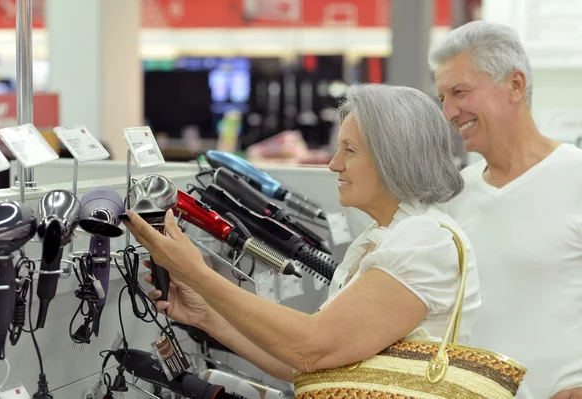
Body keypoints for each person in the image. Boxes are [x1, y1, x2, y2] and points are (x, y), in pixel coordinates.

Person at [123, 84, 481, 384]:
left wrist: (195, 274)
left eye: (350, 150)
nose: (333, 163)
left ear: (394, 158)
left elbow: (312, 349)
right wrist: (207, 316)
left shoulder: (423, 241)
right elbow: (305, 364)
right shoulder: (382, 237)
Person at [430, 20, 582, 399]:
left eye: (460, 92)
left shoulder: (575, 176)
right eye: (443, 98)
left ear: (515, 85)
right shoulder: (455, 195)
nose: (450, 111)